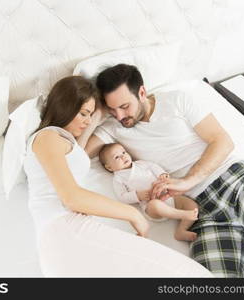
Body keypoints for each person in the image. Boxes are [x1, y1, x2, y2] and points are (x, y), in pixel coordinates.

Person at [83, 63, 244, 278]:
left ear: (141, 92)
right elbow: (77, 157)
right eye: (112, 109)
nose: (120, 116)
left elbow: (222, 141)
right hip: (201, 212)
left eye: (124, 106)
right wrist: (97, 117)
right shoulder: (114, 128)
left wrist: (188, 180)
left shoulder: (177, 100)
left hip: (235, 178)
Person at [22, 75, 212, 277]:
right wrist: (133, 214)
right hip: (66, 230)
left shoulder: (68, 142)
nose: (87, 121)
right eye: (84, 113)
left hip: (67, 236)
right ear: (66, 106)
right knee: (185, 273)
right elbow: (72, 197)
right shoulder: (48, 137)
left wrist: (98, 112)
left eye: (90, 115)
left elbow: (80, 150)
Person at [99, 142, 199, 241]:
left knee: (192, 205)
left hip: (168, 196)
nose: (123, 157)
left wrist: (162, 174)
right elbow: (122, 196)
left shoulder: (141, 164)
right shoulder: (118, 179)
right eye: (117, 157)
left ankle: (181, 230)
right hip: (151, 206)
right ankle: (181, 214)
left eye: (124, 152)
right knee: (155, 204)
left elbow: (153, 166)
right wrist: (138, 195)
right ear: (109, 167)